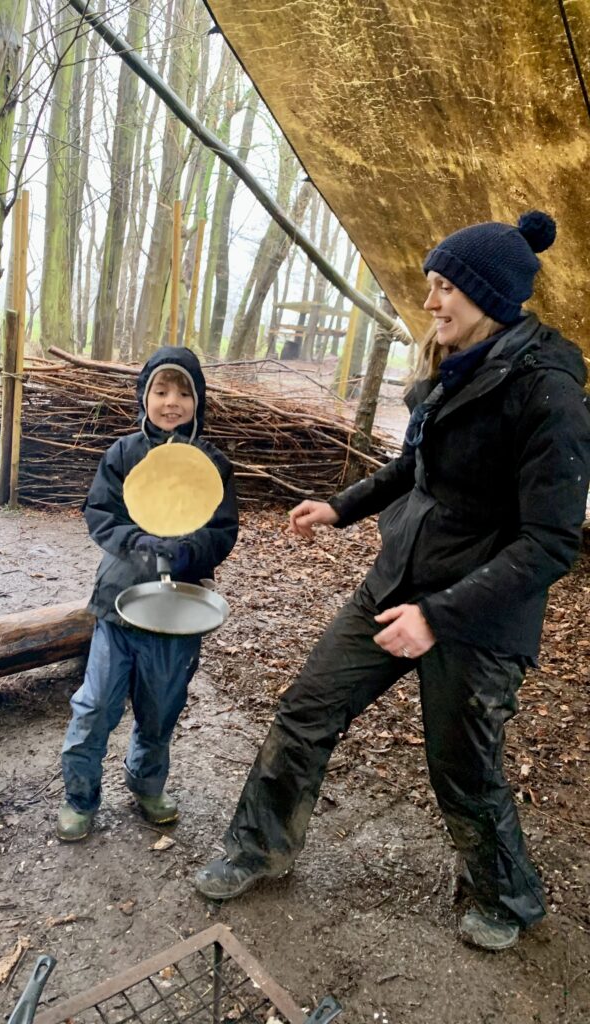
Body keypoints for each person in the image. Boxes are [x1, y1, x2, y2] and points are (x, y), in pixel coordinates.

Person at [194, 211, 590, 951]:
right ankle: (258, 847)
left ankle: (509, 898)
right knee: (308, 709)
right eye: (431, 287)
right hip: (398, 578)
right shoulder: (456, 367)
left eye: (445, 289)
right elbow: (417, 466)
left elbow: (550, 544)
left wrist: (438, 618)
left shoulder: (549, 394)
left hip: (479, 616)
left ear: (489, 297)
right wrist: (341, 506)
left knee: (464, 766)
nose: (432, 302)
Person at [58, 347, 238, 841]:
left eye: (184, 392)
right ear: (145, 396)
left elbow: (223, 532)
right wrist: (139, 542)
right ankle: (80, 796)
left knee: (161, 707)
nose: (172, 402)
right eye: (161, 391)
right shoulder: (123, 454)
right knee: (95, 707)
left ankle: (147, 784)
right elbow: (100, 514)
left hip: (179, 612)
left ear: (198, 400)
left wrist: (187, 550)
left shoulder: (212, 465)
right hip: (118, 604)